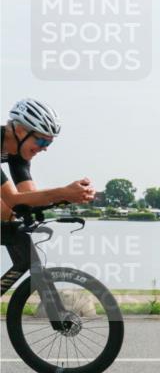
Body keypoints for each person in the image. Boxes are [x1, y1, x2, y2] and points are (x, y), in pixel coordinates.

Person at [1, 99, 95, 274]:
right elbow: (13, 199)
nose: (44, 149)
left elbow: (28, 196)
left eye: (48, 143)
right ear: (20, 131)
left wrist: (69, 196)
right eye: (42, 142)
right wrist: (63, 192)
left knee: (8, 212)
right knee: (5, 208)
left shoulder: (18, 152)